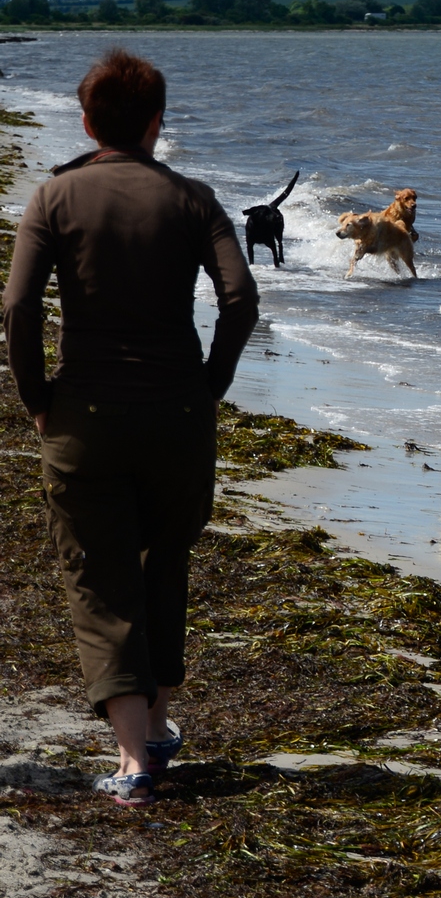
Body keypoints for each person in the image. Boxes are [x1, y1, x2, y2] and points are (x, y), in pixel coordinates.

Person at [2, 49, 258, 806]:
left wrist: (35, 396)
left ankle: (134, 758)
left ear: (85, 121)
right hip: (178, 415)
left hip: (83, 416)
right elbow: (240, 299)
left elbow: (17, 308)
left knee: (101, 578)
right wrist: (209, 383)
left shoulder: (54, 197)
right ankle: (157, 724)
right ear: (157, 124)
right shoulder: (193, 199)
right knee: (165, 557)